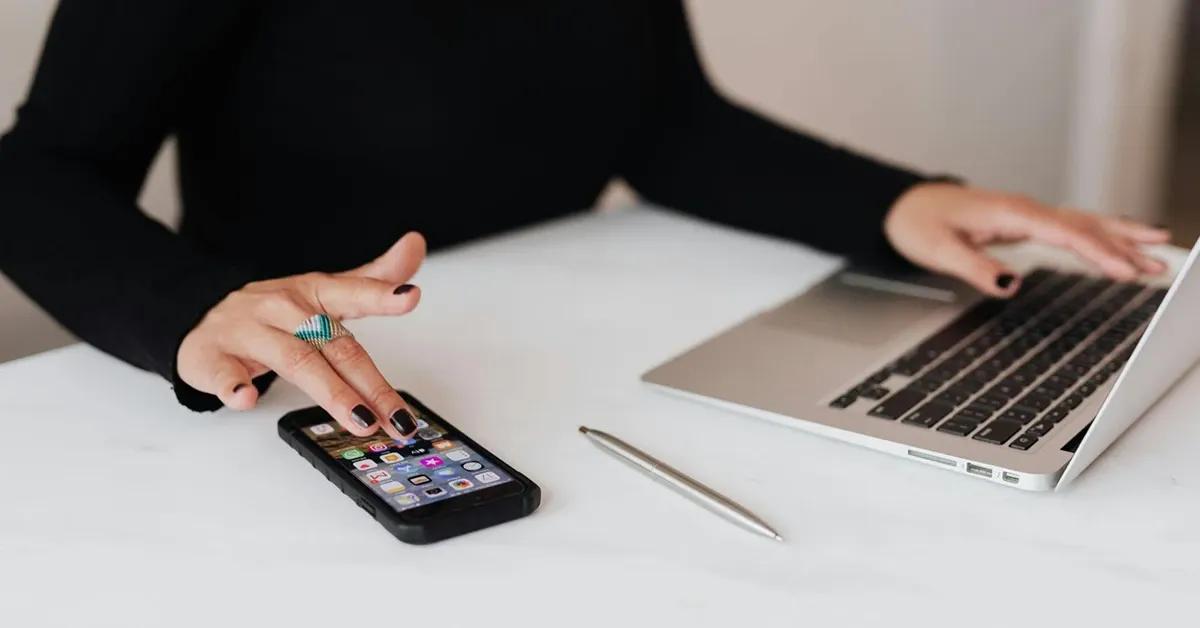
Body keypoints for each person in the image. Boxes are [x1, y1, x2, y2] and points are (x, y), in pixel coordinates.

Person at [0, 1, 1169, 441]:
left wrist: (901, 203)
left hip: (579, 378)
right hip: (311, 401)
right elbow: (38, 173)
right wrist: (191, 313)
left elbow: (663, 122)